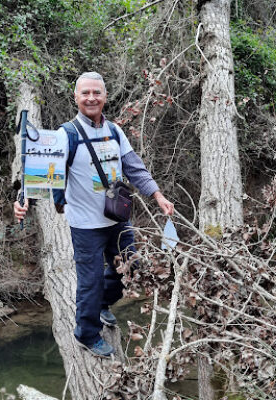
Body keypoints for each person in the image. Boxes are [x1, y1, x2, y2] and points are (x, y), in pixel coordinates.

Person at [14, 72, 174, 357]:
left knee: (131, 269)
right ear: (76, 97)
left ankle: (102, 304)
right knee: (90, 281)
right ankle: (86, 333)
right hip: (86, 224)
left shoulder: (114, 131)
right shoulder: (67, 134)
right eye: (85, 93)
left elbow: (133, 166)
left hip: (117, 218)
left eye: (96, 93)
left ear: (104, 97)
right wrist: (23, 199)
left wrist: (157, 195)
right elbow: (41, 172)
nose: (91, 98)